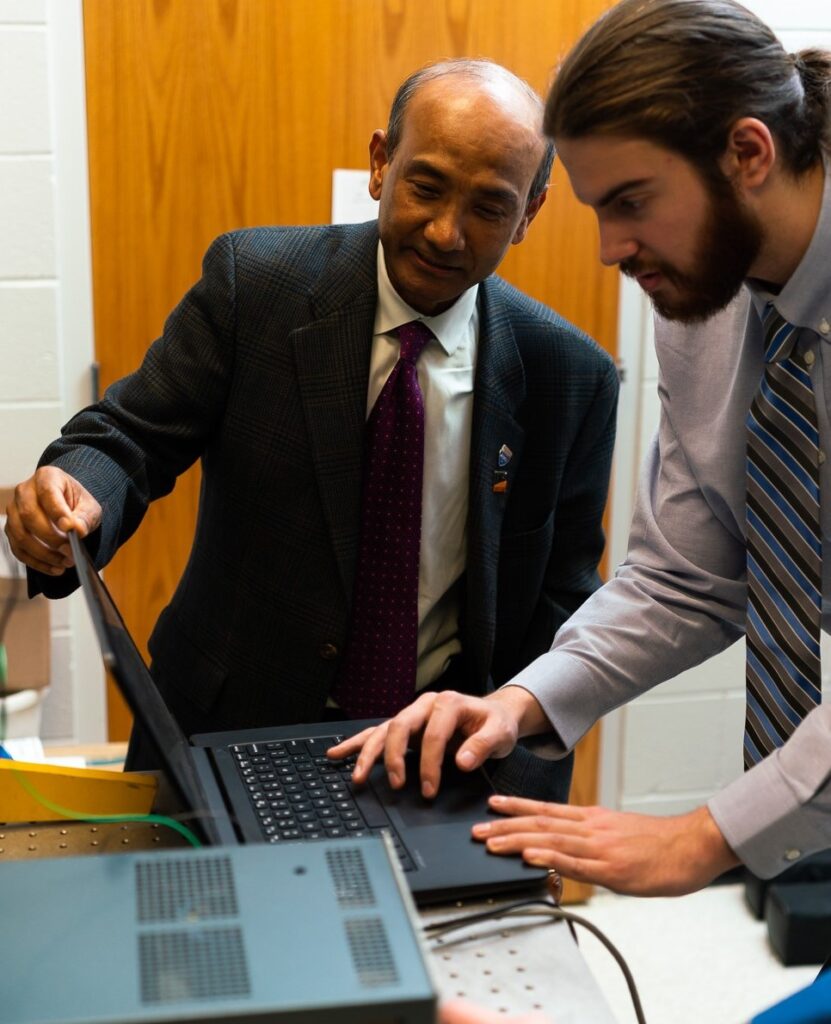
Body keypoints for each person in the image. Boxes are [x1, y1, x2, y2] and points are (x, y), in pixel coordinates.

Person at [5, 58, 617, 799]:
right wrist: (76, 491)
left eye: (489, 206)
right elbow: (130, 438)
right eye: (424, 186)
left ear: (530, 212)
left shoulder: (569, 375)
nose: (446, 232)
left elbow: (564, 598)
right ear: (379, 161)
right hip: (226, 727)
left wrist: (513, 769)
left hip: (436, 758)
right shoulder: (257, 285)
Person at [338, 0, 831, 898]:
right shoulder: (707, 301)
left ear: (749, 155)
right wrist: (518, 702)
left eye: (632, 203)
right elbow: (685, 578)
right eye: (598, 210)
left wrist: (706, 835)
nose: (610, 251)